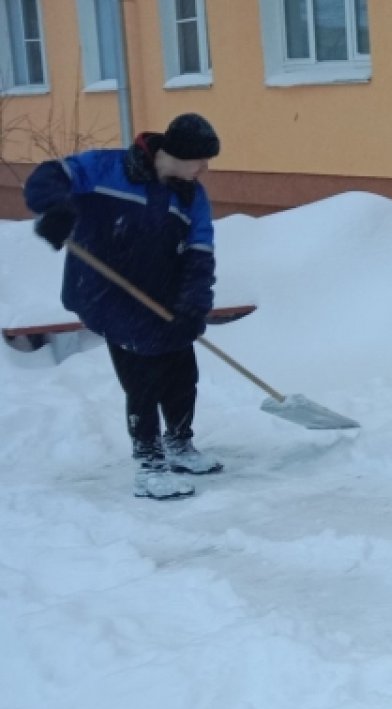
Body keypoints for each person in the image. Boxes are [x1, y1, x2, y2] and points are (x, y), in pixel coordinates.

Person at [24, 113, 224, 500]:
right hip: (105, 289)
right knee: (143, 373)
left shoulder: (191, 195)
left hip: (162, 294)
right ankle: (149, 465)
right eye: (200, 160)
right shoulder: (107, 168)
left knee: (182, 369)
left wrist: (194, 305)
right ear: (176, 154)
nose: (204, 168)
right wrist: (56, 209)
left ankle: (179, 444)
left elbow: (201, 252)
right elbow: (49, 176)